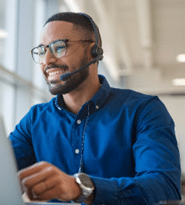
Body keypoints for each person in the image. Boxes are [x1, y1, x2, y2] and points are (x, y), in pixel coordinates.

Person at [9, 12, 181, 204]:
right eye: (41, 51)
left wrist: (81, 188)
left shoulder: (144, 110)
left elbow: (164, 186)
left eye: (59, 47)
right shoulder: (35, 119)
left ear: (93, 52)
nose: (47, 61)